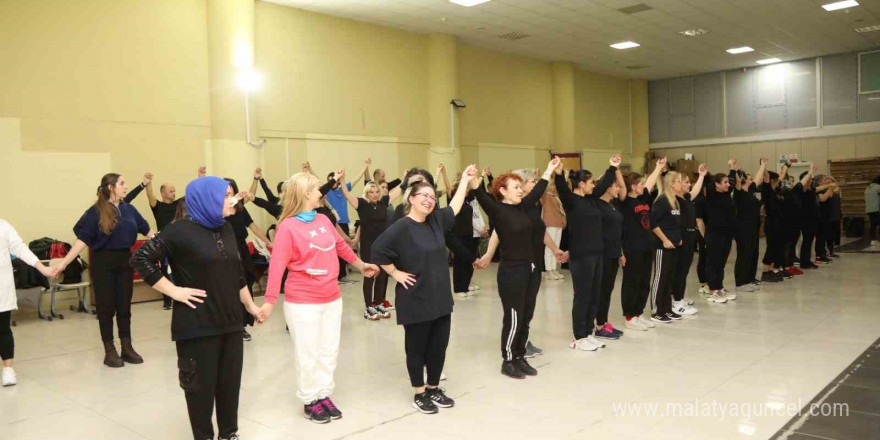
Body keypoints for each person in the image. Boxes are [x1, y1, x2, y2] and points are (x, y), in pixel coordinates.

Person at [130, 177, 265, 440]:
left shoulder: (225, 227)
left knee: (229, 386)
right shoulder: (178, 231)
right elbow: (141, 258)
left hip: (230, 322)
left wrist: (250, 306)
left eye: (232, 195)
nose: (233, 199)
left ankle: (229, 434)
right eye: (226, 195)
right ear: (207, 199)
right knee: (200, 391)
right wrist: (174, 291)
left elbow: (236, 273)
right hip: (197, 325)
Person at [260, 172, 379, 424]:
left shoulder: (323, 220)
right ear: (305, 193)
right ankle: (309, 399)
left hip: (331, 298)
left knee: (328, 350)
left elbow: (341, 247)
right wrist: (270, 302)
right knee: (308, 352)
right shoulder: (287, 227)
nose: (321, 192)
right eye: (316, 188)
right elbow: (277, 266)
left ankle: (324, 393)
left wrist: (361, 265)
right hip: (303, 301)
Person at [372, 166, 476, 414]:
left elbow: (456, 205)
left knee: (439, 346)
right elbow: (377, 250)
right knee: (417, 348)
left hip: (440, 296)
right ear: (411, 199)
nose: (430, 200)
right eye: (424, 196)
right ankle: (419, 392)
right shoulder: (402, 226)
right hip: (415, 298)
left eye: (432, 197)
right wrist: (395, 273)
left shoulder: (437, 221)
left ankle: (433, 388)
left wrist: (464, 180)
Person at [472, 157, 561, 377]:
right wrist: (473, 180)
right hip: (512, 272)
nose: (520, 191)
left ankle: (520, 355)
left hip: (531, 270)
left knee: (526, 315)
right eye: (515, 188)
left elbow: (538, 189)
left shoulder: (524, 207)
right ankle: (508, 359)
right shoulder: (498, 211)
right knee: (513, 316)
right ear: (502, 191)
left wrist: (549, 169)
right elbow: (481, 195)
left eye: (521, 187)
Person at [56, 173, 155, 367]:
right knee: (106, 307)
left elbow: (148, 231)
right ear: (110, 187)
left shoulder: (130, 209)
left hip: (125, 261)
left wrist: (167, 242)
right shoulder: (96, 211)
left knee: (124, 307)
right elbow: (82, 239)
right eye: (122, 183)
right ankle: (109, 350)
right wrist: (64, 263)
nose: (126, 186)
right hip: (103, 262)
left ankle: (127, 347)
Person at [552, 156, 618, 349]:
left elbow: (603, 184)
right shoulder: (571, 201)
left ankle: (588, 332)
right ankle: (579, 337)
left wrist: (612, 167)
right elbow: (563, 189)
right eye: (590, 183)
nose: (593, 186)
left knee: (594, 295)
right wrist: (557, 174)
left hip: (597, 254)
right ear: (581, 184)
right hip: (581, 257)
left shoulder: (591, 199)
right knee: (582, 296)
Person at [340, 161, 404, 320]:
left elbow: (398, 190)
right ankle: (368, 307)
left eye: (377, 191)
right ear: (367, 193)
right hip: (369, 246)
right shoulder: (361, 204)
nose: (375, 194)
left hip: (383, 245)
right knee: (370, 276)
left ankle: (379, 303)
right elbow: (347, 195)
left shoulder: (383, 202)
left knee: (382, 275)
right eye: (371, 191)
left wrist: (405, 178)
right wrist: (342, 180)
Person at [0, 220, 55, 386]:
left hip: (1, 286)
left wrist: (42, 268)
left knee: (2, 329)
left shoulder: (3, 226)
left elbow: (20, 248)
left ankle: (8, 369)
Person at [303, 161, 367, 284]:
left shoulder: (342, 191)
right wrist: (309, 168)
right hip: (329, 225)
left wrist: (364, 167)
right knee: (332, 251)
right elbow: (318, 181)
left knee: (343, 248)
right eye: (329, 180)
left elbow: (355, 180)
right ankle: (335, 275)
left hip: (339, 223)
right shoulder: (325, 195)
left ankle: (341, 274)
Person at [223, 178, 271, 341]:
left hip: (242, 250)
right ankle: (234, 325)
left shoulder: (240, 209)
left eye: (230, 190)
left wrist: (267, 241)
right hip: (227, 251)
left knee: (246, 282)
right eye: (225, 191)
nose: (228, 193)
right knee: (232, 287)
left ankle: (243, 323)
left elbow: (253, 226)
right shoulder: (220, 210)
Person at [620, 158, 665, 331]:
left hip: (647, 246)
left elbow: (650, 184)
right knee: (632, 281)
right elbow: (624, 188)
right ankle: (629, 316)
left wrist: (658, 168)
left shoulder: (643, 198)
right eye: (640, 184)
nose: (644, 186)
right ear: (633, 186)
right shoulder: (624, 202)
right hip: (632, 248)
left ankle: (638, 313)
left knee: (644, 281)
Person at [667, 166, 708, 317]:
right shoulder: (673, 200)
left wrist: (702, 176)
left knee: (683, 272)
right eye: (684, 182)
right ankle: (676, 302)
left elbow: (695, 191)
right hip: (680, 242)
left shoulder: (686, 199)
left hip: (690, 240)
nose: (688, 185)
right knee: (678, 272)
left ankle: (679, 298)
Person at [594, 167, 626, 339]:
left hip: (614, 253)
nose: (619, 189)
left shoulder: (611, 205)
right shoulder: (597, 206)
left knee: (607, 290)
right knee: (601, 291)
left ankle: (603, 322)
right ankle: (598, 326)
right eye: (616, 186)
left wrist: (620, 252)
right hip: (603, 254)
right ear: (607, 187)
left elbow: (616, 232)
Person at [649, 171, 684, 323]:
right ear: (671, 183)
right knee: (660, 277)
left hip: (674, 245)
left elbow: (674, 223)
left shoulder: (674, 201)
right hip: (662, 247)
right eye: (679, 181)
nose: (681, 184)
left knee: (669, 278)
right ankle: (656, 310)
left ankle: (667, 309)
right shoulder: (662, 200)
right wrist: (664, 240)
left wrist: (678, 239)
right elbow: (653, 223)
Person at [702, 164, 737, 303]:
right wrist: (705, 173)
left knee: (721, 262)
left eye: (728, 182)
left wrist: (732, 169)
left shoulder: (727, 194)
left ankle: (720, 287)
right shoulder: (711, 196)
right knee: (713, 262)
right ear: (716, 185)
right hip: (714, 234)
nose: (728, 184)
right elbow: (708, 181)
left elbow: (733, 181)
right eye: (725, 182)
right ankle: (712, 290)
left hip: (726, 235)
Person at [731, 158, 768, 292]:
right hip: (742, 229)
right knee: (744, 254)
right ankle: (741, 283)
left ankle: (749, 278)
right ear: (743, 180)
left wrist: (763, 165)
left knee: (753, 253)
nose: (751, 179)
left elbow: (758, 179)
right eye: (748, 177)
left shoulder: (750, 190)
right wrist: (734, 169)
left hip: (753, 228)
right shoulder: (739, 193)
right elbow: (736, 181)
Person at [761, 168, 787, 282]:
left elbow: (781, 177)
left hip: (779, 223)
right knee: (771, 247)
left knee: (777, 246)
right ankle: (766, 271)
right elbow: (766, 176)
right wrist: (763, 165)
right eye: (776, 180)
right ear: (771, 181)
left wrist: (786, 166)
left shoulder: (776, 191)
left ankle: (773, 269)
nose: (778, 182)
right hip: (771, 223)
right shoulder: (767, 190)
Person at [542, 181, 567, 280]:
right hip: (550, 224)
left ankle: (554, 269)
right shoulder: (545, 196)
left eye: (555, 185)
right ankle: (549, 270)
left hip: (557, 224)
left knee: (556, 248)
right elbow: (541, 189)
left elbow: (561, 211)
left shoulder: (556, 196)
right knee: (549, 249)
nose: (554, 187)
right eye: (552, 185)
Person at [867, 175, 880, 246]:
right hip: (877, 209)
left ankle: (873, 240)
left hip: (869, 209)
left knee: (873, 225)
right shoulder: (878, 187)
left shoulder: (868, 188)